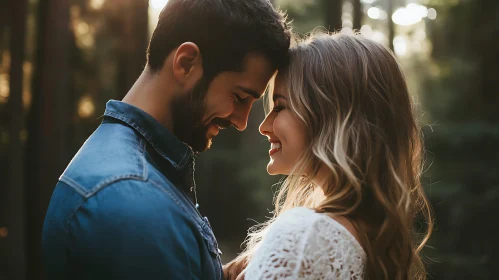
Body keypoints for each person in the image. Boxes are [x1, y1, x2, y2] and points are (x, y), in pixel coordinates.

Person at [41, 0, 290, 279]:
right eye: (239, 97)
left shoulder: (140, 175)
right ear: (186, 63)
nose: (242, 122)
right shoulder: (132, 201)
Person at [224, 33, 433, 280]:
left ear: (330, 117)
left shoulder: (305, 237)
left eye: (280, 107)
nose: (264, 126)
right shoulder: (370, 240)